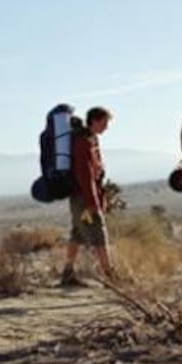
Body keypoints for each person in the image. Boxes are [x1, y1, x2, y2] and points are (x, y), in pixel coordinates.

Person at [60, 107, 114, 286]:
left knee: (77, 233)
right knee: (99, 233)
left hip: (82, 196)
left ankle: (68, 272)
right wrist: (93, 203)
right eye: (104, 122)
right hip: (84, 198)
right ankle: (110, 275)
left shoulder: (91, 140)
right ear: (95, 121)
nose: (106, 127)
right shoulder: (83, 143)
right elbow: (85, 176)